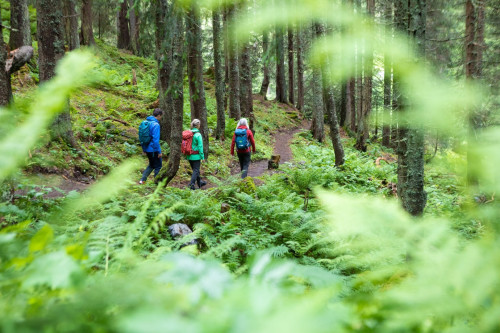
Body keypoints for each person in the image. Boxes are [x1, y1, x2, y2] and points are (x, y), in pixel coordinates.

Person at [139, 108, 163, 184]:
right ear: (158, 115)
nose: (161, 118)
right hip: (153, 149)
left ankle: (142, 180)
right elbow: (155, 140)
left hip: (147, 148)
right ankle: (156, 184)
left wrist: (144, 149)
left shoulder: (146, 122)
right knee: (158, 166)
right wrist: (159, 152)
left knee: (151, 165)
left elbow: (141, 137)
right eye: (161, 116)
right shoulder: (156, 125)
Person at [186, 119, 206, 190]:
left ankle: (199, 182)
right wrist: (202, 157)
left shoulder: (189, 133)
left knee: (195, 170)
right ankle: (191, 185)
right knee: (196, 170)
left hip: (189, 155)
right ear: (198, 125)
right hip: (196, 156)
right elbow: (200, 147)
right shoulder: (198, 135)